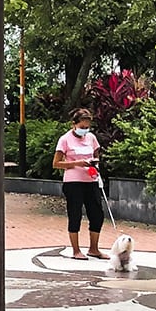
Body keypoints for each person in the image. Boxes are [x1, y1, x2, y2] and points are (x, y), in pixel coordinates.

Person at [53, 109, 107, 259]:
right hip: (73, 182)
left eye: (87, 127)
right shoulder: (65, 139)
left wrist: (95, 163)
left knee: (97, 214)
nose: (85, 130)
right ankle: (76, 250)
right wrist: (76, 163)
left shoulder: (91, 138)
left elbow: (96, 153)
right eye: (82, 127)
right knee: (75, 214)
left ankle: (94, 248)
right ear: (74, 124)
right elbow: (56, 163)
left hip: (91, 180)